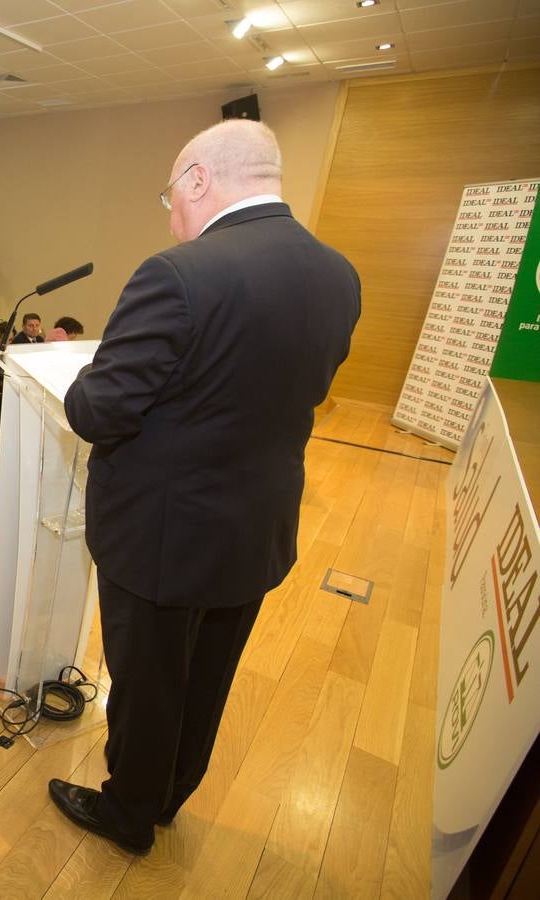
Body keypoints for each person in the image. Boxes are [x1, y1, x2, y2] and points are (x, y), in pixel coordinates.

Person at [50, 119, 361, 856]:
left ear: (199, 180)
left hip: (163, 531)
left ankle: (129, 810)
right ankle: (168, 796)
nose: (171, 214)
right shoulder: (338, 273)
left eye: (170, 194)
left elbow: (101, 411)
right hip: (255, 525)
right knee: (207, 678)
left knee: (149, 681)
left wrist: (85, 372)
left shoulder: (179, 273)